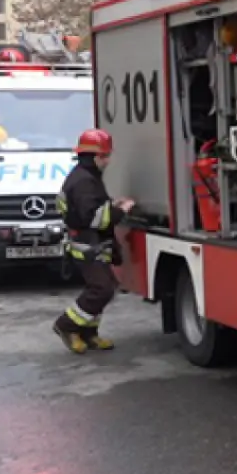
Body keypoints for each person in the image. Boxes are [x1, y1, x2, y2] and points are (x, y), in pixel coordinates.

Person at [52, 128, 134, 354]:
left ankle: (89, 333)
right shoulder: (84, 181)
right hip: (88, 245)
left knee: (104, 287)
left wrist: (112, 204)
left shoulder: (85, 176)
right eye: (105, 156)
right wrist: (121, 211)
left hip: (92, 243)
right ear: (94, 156)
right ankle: (66, 326)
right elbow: (94, 219)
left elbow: (91, 208)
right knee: (101, 289)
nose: (108, 161)